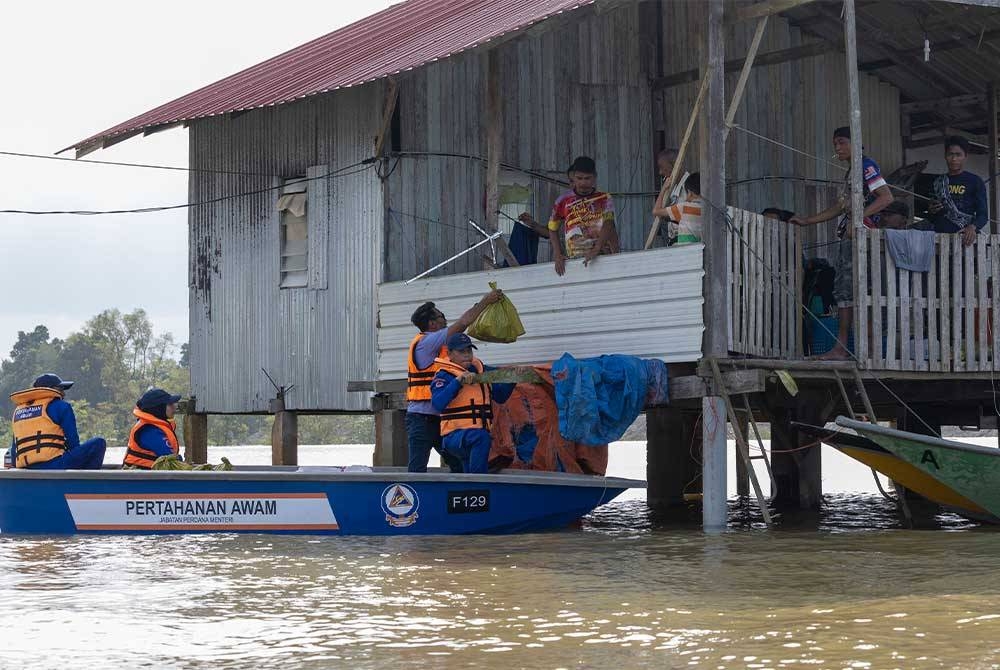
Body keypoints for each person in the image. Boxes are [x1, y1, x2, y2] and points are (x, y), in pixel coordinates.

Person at [789, 126, 894, 360]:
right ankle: (844, 348)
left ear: (856, 143)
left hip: (863, 239)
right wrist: (807, 221)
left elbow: (886, 197)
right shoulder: (851, 172)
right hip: (851, 239)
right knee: (846, 293)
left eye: (842, 142)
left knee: (859, 293)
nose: (837, 147)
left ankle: (853, 349)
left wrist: (857, 221)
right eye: (835, 143)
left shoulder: (866, 166)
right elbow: (840, 208)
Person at [406, 290, 503, 472]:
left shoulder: (443, 349)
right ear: (432, 323)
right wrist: (485, 302)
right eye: (441, 316)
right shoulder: (427, 342)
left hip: (441, 419)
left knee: (457, 464)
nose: (445, 319)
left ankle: (460, 495)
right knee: (417, 469)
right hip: (422, 418)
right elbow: (463, 323)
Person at [429, 333, 517, 474]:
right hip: (454, 437)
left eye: (469, 351)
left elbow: (500, 397)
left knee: (469, 465)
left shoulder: (481, 371)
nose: (467, 355)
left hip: (473, 435)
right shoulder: (444, 375)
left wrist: (512, 378)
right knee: (481, 438)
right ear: (449, 353)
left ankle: (471, 489)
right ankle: (479, 485)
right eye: (461, 351)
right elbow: (437, 404)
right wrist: (458, 382)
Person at [8, 373, 106, 470]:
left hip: (26, 468)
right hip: (54, 465)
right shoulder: (61, 406)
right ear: (50, 389)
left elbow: (14, 455)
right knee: (99, 443)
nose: (63, 393)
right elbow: (73, 444)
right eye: (61, 389)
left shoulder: (18, 412)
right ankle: (87, 484)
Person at [547, 156, 619, 275]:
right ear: (573, 178)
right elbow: (552, 228)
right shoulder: (562, 200)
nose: (583, 183)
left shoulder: (604, 198)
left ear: (594, 177)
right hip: (574, 260)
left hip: (602, 256)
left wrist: (596, 249)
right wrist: (557, 254)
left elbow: (608, 224)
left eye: (587, 178)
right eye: (579, 178)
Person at [928, 136, 988, 246]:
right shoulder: (938, 182)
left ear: (965, 157)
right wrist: (931, 211)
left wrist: (972, 227)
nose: (954, 159)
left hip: (965, 241)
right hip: (940, 241)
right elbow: (931, 217)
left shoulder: (975, 181)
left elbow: (983, 215)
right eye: (950, 154)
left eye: (958, 155)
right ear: (945, 156)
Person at [123, 388, 182, 469]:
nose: (174, 407)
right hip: (141, 476)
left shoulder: (155, 427)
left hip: (149, 475)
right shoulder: (149, 430)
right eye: (169, 404)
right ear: (158, 408)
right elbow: (170, 458)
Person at [653, 172, 703, 245]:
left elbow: (656, 211)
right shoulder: (708, 209)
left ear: (690, 193)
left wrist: (663, 188)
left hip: (686, 252)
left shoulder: (684, 208)